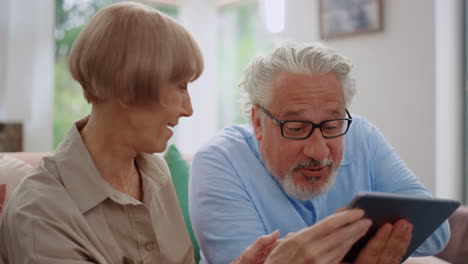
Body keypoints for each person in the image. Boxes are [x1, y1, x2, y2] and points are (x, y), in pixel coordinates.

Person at [0, 2, 292, 263]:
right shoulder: (39, 213)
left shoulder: (156, 172)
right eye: (180, 87)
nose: (188, 109)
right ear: (126, 86)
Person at [189, 42, 451, 264]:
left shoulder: (361, 134)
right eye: (296, 127)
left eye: (331, 125)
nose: (318, 150)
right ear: (258, 122)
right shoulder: (219, 160)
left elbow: (436, 232)